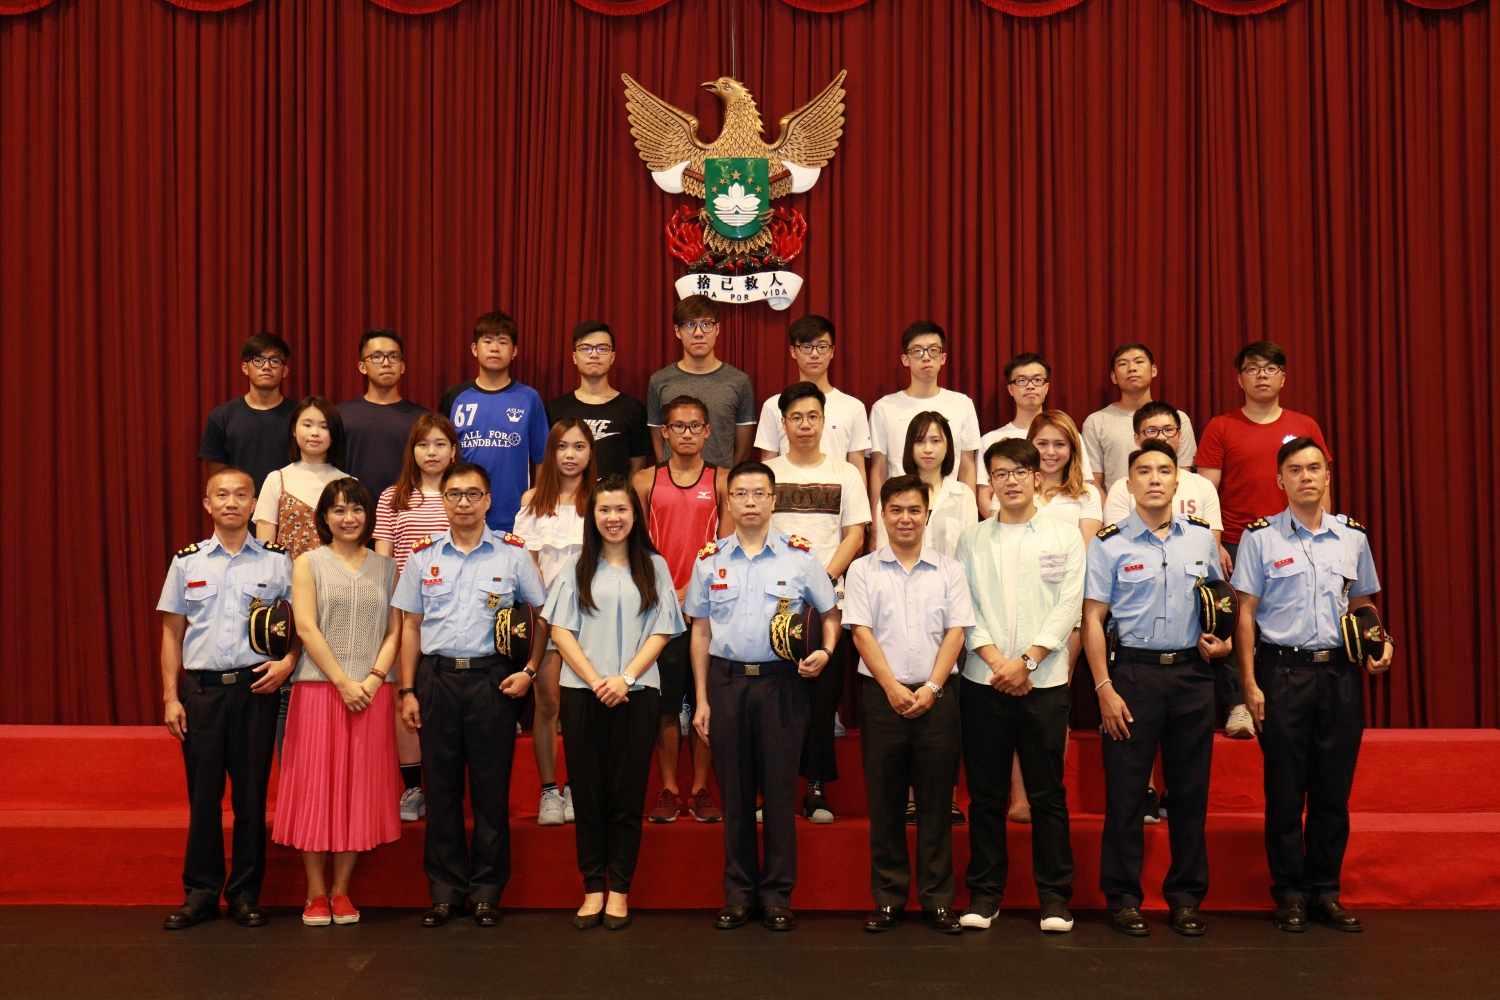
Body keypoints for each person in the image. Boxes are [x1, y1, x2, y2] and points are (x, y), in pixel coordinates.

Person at [1231, 438, 1391, 934]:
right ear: (1280, 480)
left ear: (1327, 476)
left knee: (1332, 791)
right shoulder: (1260, 538)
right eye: (1295, 470)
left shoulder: (1352, 537)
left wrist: (1381, 641)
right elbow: (1245, 615)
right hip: (1282, 673)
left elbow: (1362, 602)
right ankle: (1290, 893)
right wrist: (1248, 684)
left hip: (1340, 675)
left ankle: (1325, 891)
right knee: (1284, 791)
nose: (1306, 477)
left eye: (1314, 468)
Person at [1082, 440, 1231, 938]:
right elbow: (1092, 618)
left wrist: (1223, 643)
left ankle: (1186, 899)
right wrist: (1103, 687)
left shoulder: (1201, 540)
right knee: (1126, 795)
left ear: (1176, 481)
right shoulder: (1108, 543)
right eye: (1143, 471)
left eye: (1163, 470)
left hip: (1191, 676)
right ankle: (1123, 899)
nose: (1154, 479)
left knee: (1189, 795)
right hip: (1132, 678)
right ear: (1128, 484)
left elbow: (1219, 603)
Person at [685, 461, 841, 932]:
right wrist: (702, 699)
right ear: (728, 501)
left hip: (782, 685)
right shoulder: (709, 560)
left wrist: (826, 652)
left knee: (778, 793)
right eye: (741, 494)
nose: (750, 502)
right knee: (734, 795)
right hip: (727, 684)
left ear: (774, 500)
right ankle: (738, 894)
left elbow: (830, 614)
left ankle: (776, 895)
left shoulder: (800, 557)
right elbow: (700, 632)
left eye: (759, 493)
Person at [392, 462, 548, 928]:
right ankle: (445, 892)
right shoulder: (423, 556)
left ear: (488, 501)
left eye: (473, 494)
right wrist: (407, 689)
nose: (463, 502)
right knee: (441, 791)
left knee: (490, 790)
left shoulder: (513, 554)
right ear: (443, 501)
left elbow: (542, 616)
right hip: (436, 680)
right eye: (455, 494)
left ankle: (486, 892)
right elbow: (411, 626)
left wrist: (530, 671)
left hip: (492, 681)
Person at [955, 439, 1085, 935]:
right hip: (983, 680)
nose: (1010, 481)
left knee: (1047, 795)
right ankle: (985, 896)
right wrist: (997, 662)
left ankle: (1054, 898)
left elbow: (1069, 604)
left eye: (1019, 472)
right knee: (986, 795)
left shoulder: (1064, 536)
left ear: (1037, 477)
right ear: (989, 482)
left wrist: (1028, 662)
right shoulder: (972, 539)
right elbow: (965, 606)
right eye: (1000, 473)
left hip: (1044, 682)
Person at [544, 476, 686, 931]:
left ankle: (619, 890)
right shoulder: (576, 565)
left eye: (621, 509)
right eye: (604, 510)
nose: (613, 518)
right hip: (582, 694)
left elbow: (662, 630)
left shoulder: (654, 566)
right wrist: (595, 680)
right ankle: (592, 889)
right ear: (593, 516)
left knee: (626, 796)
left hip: (637, 695)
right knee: (588, 796)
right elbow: (560, 630)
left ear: (635, 515)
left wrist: (625, 679)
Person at [157, 468, 296, 930]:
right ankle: (200, 894)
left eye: (240, 495)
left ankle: (244, 895)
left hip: (256, 691)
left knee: (251, 799)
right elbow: (171, 634)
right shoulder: (187, 562)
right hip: (202, 693)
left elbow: (300, 623)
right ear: (207, 504)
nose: (231, 502)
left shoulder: (277, 561)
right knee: (204, 798)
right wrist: (170, 697)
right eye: (222, 495)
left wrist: (289, 661)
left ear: (254, 504)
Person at [846, 474, 975, 934]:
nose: (906, 518)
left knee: (937, 805)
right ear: (882, 515)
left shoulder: (949, 570)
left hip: (937, 698)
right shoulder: (863, 570)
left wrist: (932, 689)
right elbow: (861, 633)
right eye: (896, 510)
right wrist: (893, 688)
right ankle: (888, 899)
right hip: (883, 699)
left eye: (914, 510)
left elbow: (956, 632)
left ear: (927, 515)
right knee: (885, 804)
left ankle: (938, 901)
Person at [273, 478, 402, 927]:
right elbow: (306, 628)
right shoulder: (308, 563)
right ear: (324, 518)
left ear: (369, 516)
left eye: (357, 509)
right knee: (315, 789)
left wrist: (374, 678)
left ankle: (342, 890)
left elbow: (395, 632)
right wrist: (343, 682)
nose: (349, 518)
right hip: (317, 691)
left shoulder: (388, 568)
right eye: (339, 510)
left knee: (357, 791)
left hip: (371, 693)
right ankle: (315, 893)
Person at [1195, 341, 1329, 739]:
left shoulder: (1304, 426)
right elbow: (1205, 493)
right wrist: (1214, 544)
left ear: (1283, 377)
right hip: (1236, 541)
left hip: (1295, 540)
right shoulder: (1221, 426)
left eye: (1270, 368)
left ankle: (1285, 698)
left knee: (1290, 619)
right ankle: (1237, 702)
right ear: (1240, 379)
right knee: (1236, 620)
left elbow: (1321, 488)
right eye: (1252, 368)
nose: (1262, 375)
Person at [764, 383, 871, 823]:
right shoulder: (767, 473)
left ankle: (816, 788)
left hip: (828, 604)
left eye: (812, 416)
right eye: (796, 417)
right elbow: (755, 534)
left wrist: (820, 584)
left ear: (824, 421)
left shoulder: (846, 473)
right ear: (783, 423)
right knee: (773, 703)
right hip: (774, 604)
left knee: (822, 700)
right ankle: (772, 791)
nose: (805, 425)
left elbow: (855, 535)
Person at [632, 395, 727, 825]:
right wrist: (671, 596)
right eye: (678, 426)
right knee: (665, 706)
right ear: (665, 433)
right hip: (659, 610)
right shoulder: (644, 481)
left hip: (708, 612)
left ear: (707, 431)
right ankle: (670, 789)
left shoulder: (722, 480)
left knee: (706, 702)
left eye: (694, 426)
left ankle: (701, 788)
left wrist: (694, 595)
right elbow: (635, 547)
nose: (686, 433)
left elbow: (724, 548)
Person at [374, 414, 460, 822]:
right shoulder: (393, 497)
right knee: (403, 694)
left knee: (444, 696)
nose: (432, 452)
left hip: (453, 612)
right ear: (412, 451)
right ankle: (413, 788)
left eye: (440, 444)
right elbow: (383, 560)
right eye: (423, 444)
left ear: (454, 451)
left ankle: (446, 785)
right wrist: (389, 608)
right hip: (405, 611)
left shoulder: (460, 494)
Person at [513, 419, 598, 826]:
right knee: (547, 702)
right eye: (562, 446)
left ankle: (578, 786)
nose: (570, 455)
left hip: (592, 619)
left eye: (579, 446)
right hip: (546, 618)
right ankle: (549, 791)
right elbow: (526, 565)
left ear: (590, 452)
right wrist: (546, 611)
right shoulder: (532, 499)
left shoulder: (601, 497)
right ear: (550, 452)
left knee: (584, 706)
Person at [254, 396, 350, 752]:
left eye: (324, 426)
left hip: (336, 599)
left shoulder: (347, 482)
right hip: (289, 603)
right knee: (288, 694)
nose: (315, 432)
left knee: (332, 687)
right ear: (294, 431)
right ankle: (293, 777)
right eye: (307, 424)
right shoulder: (276, 479)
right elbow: (264, 550)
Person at [439, 310, 549, 534]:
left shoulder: (529, 398)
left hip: (514, 518)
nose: (495, 348)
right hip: (462, 515)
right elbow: (440, 455)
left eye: (503, 342)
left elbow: (543, 459)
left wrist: (535, 507)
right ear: (474, 349)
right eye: (487, 341)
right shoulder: (455, 397)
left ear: (514, 351)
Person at [868, 321, 981, 519]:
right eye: (917, 351)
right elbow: (878, 470)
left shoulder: (962, 404)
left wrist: (968, 514)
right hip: (900, 511)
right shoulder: (884, 407)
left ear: (943, 357)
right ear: (905, 359)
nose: (926, 357)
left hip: (949, 508)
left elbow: (967, 466)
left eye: (933, 350)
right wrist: (877, 522)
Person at [754, 314, 871, 482]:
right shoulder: (774, 405)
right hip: (787, 495)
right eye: (806, 347)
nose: (815, 354)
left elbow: (858, 469)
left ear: (832, 351)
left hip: (838, 495)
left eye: (822, 347)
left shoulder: (853, 407)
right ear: (793, 351)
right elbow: (767, 465)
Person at [645, 295, 756, 470]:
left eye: (706, 324)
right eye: (689, 325)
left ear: (717, 329)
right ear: (677, 331)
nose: (698, 333)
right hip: (671, 481)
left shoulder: (739, 381)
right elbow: (658, 439)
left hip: (720, 481)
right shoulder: (659, 381)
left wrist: (726, 478)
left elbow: (743, 448)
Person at [976, 353, 1093, 513]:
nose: (1030, 386)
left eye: (1037, 380)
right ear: (1010, 389)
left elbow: (1084, 485)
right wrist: (1000, 526)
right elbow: (985, 496)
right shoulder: (991, 440)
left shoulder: (1069, 435)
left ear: (1047, 387)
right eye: (1021, 381)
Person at [1082, 343, 1198, 490]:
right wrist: (1112, 505)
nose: (1132, 368)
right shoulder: (1096, 422)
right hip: (1115, 503)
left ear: (1153, 370)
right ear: (1114, 377)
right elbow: (1093, 482)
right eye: (1123, 364)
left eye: (1139, 361)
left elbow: (1183, 476)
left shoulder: (1177, 419)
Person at [547, 320, 651, 480]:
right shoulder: (556, 408)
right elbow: (548, 461)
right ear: (574, 357)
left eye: (602, 349)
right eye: (585, 349)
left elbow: (637, 464)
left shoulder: (632, 408)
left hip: (615, 495)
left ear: (612, 356)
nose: (594, 354)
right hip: (566, 495)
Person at [199, 332, 299, 495]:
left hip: (290, 507)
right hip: (239, 508)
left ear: (285, 370)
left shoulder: (301, 416)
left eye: (275, 361)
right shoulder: (222, 417)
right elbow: (218, 480)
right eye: (258, 360)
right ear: (245, 368)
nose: (266, 366)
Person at [338, 328, 429, 504]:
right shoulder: (341, 415)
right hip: (353, 512)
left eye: (393, 357)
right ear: (362, 367)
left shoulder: (422, 419)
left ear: (402, 367)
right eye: (377, 357)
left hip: (407, 510)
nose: (386, 363)